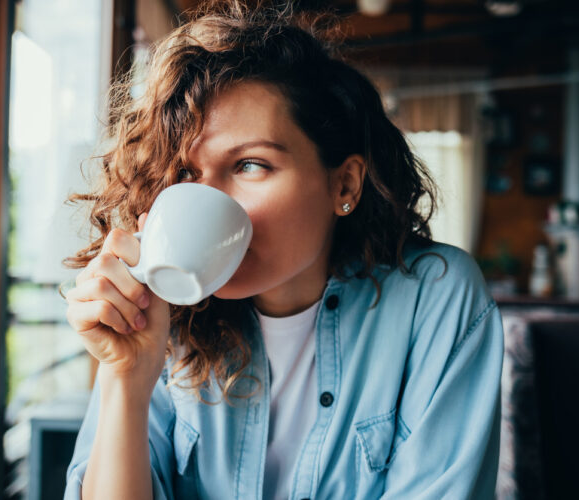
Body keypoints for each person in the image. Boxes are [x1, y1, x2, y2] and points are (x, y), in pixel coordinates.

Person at [63, 1, 504, 499]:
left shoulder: (434, 298)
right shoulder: (161, 318)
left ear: (345, 185)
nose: (206, 199)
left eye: (251, 165)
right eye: (186, 173)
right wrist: (125, 379)